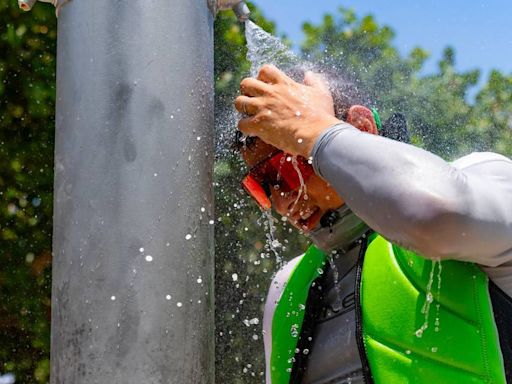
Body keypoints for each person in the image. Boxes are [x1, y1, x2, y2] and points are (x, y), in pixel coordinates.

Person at [234, 64, 512, 384]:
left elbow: (433, 215)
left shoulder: (488, 178)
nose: (281, 203)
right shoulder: (287, 285)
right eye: (263, 186)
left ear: (362, 129)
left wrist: (320, 132)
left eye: (285, 168)